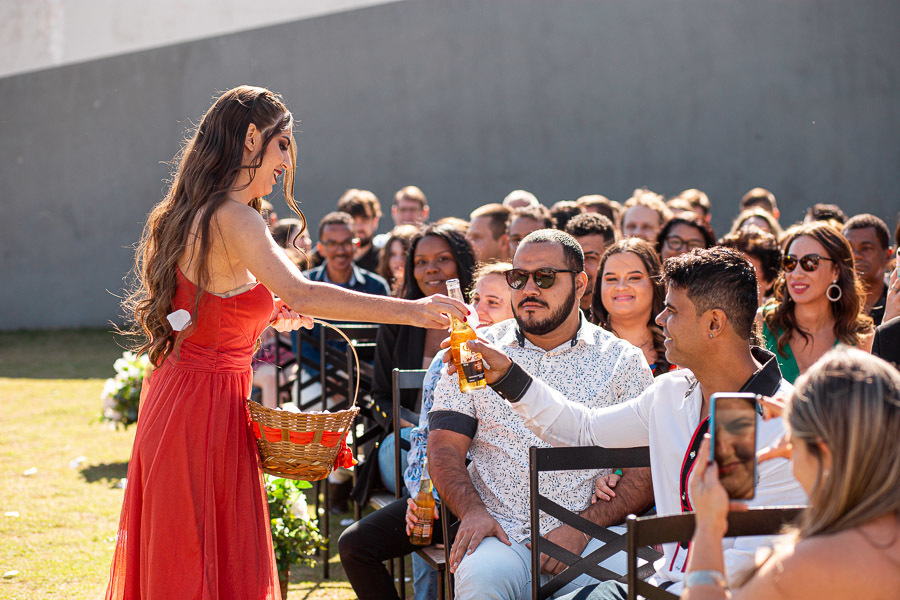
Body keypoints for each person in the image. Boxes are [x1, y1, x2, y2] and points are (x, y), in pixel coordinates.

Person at [107, 86, 468, 600]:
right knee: (203, 553)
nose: (286, 161)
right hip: (205, 409)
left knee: (189, 551)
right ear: (251, 136)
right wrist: (410, 310)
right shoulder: (235, 215)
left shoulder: (196, 210)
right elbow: (302, 289)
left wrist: (269, 313)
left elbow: (212, 301)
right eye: (283, 145)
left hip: (184, 399)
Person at [470, 247, 808, 598]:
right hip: (661, 586)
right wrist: (508, 376)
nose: (660, 318)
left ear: (714, 323)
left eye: (672, 310)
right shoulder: (670, 393)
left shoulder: (777, 422)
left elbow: (748, 564)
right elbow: (583, 429)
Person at [428, 229, 655, 600]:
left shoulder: (621, 360)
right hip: (501, 533)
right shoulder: (476, 351)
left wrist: (581, 528)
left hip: (592, 535)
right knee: (480, 582)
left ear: (580, 283)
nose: (529, 288)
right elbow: (443, 450)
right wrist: (472, 512)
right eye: (517, 278)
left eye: (544, 277)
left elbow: (646, 467)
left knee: (650, 582)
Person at [339, 262, 515, 600]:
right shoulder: (447, 357)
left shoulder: (526, 361)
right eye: (476, 299)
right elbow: (423, 437)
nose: (479, 310)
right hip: (449, 495)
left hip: (507, 502)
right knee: (355, 544)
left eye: (493, 302)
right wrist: (422, 495)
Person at [683, 348, 900, 600]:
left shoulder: (804, 565)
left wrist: (708, 528)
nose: (787, 449)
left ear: (823, 451)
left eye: (794, 442)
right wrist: (806, 425)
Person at [351, 223, 478, 507]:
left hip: (471, 441)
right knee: (412, 450)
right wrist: (416, 428)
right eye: (421, 262)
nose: (431, 269)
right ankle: (427, 518)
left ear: (462, 263)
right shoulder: (398, 319)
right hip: (410, 439)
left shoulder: (482, 318)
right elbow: (380, 396)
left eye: (442, 259)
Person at [760, 222, 874, 383]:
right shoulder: (761, 323)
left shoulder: (862, 336)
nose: (797, 274)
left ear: (836, 270)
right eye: (790, 263)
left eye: (810, 263)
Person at [592, 238, 672, 376]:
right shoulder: (579, 349)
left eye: (634, 278)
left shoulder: (680, 351)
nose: (621, 287)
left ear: (655, 283)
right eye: (611, 279)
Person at [842, 214, 894, 325]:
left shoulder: (896, 305)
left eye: (866, 248)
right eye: (848, 248)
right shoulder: (829, 306)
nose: (855, 255)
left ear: (888, 255)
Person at [565, 212, 617, 319]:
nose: (580, 266)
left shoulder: (622, 312)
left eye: (590, 257)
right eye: (573, 257)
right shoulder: (555, 315)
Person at [718, 226, 782, 308]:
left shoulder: (778, 320)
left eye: (747, 271)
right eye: (730, 269)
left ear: (770, 281)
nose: (736, 278)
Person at [337, 188, 383, 273]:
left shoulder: (384, 262)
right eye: (353, 220)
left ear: (375, 221)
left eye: (364, 220)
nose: (358, 227)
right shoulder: (325, 258)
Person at [377, 224, 419, 295]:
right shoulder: (378, 288)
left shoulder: (423, 291)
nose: (398, 260)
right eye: (393, 254)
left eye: (404, 254)